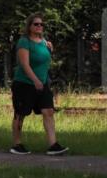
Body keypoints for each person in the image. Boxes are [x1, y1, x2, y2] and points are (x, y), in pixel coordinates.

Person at [10, 13, 68, 156]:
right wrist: (35, 80)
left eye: (42, 24)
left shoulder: (44, 42)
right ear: (29, 26)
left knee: (48, 111)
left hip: (42, 84)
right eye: (36, 24)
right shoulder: (24, 42)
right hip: (24, 83)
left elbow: (44, 62)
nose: (39, 26)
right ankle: (17, 145)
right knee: (20, 114)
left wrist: (50, 49)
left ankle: (53, 145)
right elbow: (24, 64)